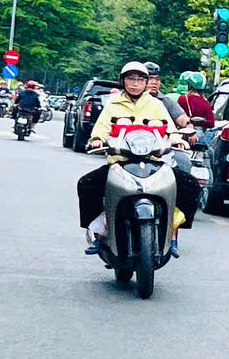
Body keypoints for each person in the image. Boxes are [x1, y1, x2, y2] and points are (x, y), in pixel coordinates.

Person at [74, 61, 201, 246]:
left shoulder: (156, 104)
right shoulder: (113, 104)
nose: (135, 83)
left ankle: (173, 229)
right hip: (119, 162)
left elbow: (171, 130)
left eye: (140, 79)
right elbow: (101, 129)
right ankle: (97, 230)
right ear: (123, 81)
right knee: (86, 184)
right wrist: (97, 139)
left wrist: (178, 140)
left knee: (191, 185)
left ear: (146, 82)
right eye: (130, 78)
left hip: (153, 162)